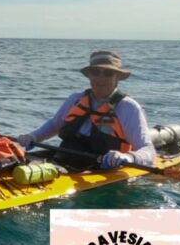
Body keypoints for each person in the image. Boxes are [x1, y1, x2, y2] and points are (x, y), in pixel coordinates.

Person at [17, 50, 155, 170]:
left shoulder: (129, 108)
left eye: (108, 73)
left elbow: (148, 151)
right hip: (62, 160)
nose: (101, 78)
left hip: (101, 170)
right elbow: (54, 125)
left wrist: (128, 157)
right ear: (89, 75)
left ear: (117, 77)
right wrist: (33, 136)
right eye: (95, 72)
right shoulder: (75, 99)